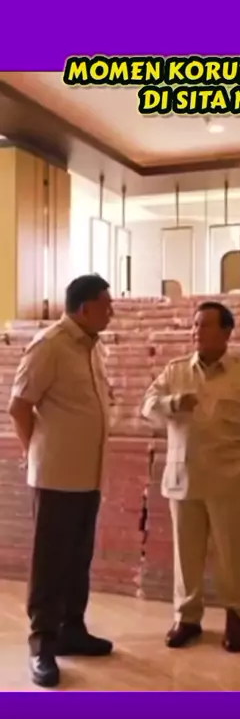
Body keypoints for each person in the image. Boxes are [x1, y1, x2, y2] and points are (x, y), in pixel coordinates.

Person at [141, 301, 240, 653]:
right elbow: (147, 407)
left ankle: (235, 616)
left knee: (233, 554)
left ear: (227, 332)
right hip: (183, 477)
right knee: (186, 554)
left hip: (231, 480)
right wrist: (172, 404)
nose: (197, 331)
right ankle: (187, 618)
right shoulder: (175, 372)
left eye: (205, 325)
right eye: (195, 324)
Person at [8, 274, 115, 688]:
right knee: (50, 563)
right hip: (56, 475)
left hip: (89, 474)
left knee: (77, 558)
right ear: (85, 308)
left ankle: (72, 629)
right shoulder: (50, 345)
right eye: (106, 304)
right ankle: (43, 645)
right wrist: (35, 452)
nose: (111, 311)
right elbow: (19, 406)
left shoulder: (92, 347)